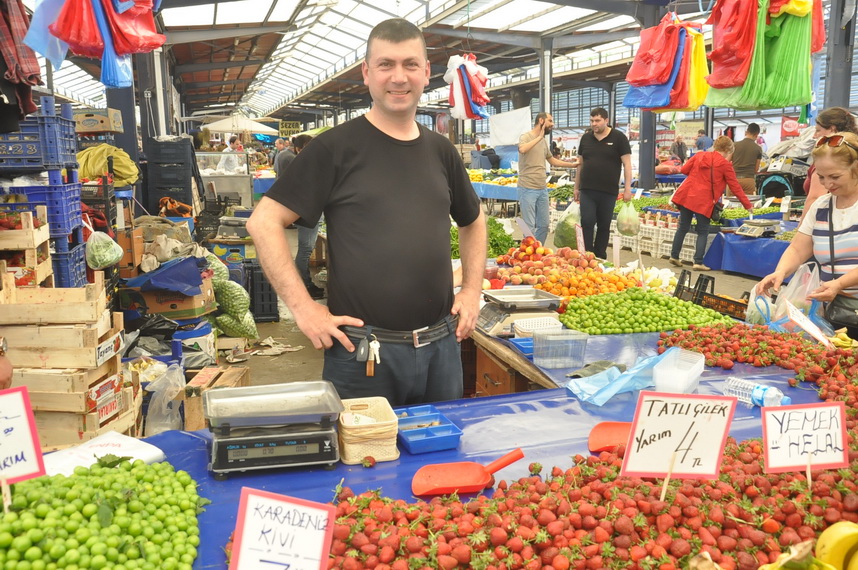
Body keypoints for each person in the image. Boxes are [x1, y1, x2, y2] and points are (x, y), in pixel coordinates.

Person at [247, 18, 486, 406]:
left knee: (441, 445)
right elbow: (264, 222)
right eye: (386, 64)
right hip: (362, 356)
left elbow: (473, 221)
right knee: (366, 448)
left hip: (440, 350)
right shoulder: (334, 148)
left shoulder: (441, 151)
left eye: (410, 64)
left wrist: (473, 290)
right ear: (367, 73)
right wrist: (304, 309)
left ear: (426, 73)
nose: (399, 77)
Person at [757, 131, 858, 339]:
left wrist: (840, 284)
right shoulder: (821, 206)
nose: (827, 184)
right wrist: (780, 272)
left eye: (835, 177)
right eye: (821, 177)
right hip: (835, 313)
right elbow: (797, 248)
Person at [669, 136, 754, 271]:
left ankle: (674, 256)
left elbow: (684, 170)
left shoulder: (699, 155)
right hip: (704, 200)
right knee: (703, 231)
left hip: (687, 196)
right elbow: (735, 187)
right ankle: (698, 262)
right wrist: (747, 205)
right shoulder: (725, 165)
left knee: (683, 227)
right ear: (727, 150)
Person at [574, 107, 632, 260]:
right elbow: (580, 164)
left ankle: (600, 256)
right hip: (587, 189)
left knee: (604, 225)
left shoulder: (619, 138)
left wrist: (627, 189)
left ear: (606, 120)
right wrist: (576, 187)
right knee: (587, 221)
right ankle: (587, 255)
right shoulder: (585, 139)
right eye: (592, 120)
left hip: (608, 191)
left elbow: (627, 164)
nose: (594, 124)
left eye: (597, 120)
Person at [517, 113, 578, 245]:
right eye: (550, 121)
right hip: (527, 188)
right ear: (541, 120)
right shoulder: (526, 137)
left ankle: (538, 250)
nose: (552, 124)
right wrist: (539, 137)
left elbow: (552, 160)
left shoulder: (544, 142)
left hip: (542, 189)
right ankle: (529, 253)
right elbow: (522, 149)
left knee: (544, 225)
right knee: (529, 227)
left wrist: (572, 165)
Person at [800, 107, 858, 222]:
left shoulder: (827, 161)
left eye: (818, 130)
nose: (814, 136)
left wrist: (802, 226)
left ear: (832, 129)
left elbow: (815, 197)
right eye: (821, 177)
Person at [286, 134, 326, 300]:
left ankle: (303, 284)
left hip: (307, 213)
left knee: (305, 250)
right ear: (299, 148)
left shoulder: (303, 164)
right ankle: (304, 286)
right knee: (305, 251)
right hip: (308, 214)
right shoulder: (303, 165)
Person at [731, 123, 763, 196]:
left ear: (746, 132)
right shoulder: (758, 148)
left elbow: (727, 161)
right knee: (748, 202)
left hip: (734, 180)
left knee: (730, 202)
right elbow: (756, 169)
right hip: (749, 180)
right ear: (756, 134)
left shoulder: (734, 145)